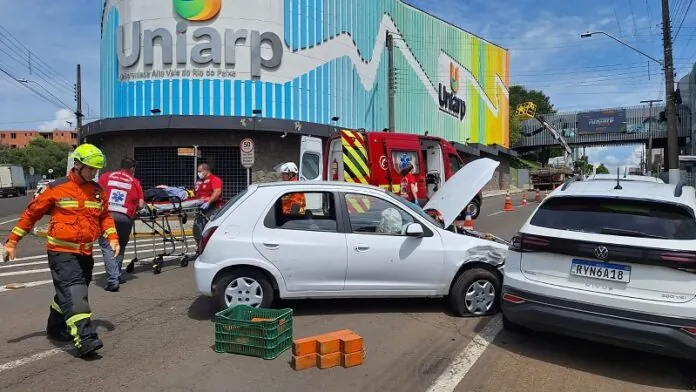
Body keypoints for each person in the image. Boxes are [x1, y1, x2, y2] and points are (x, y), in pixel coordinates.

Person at [2, 143, 119, 357]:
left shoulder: (97, 191)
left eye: (96, 169)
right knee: (75, 292)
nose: (94, 173)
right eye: (90, 168)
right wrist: (12, 242)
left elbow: (105, 217)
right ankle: (85, 338)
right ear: (77, 165)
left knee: (68, 291)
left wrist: (112, 237)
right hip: (61, 252)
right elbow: (30, 215)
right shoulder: (56, 188)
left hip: (85, 253)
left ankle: (55, 328)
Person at [97, 157, 145, 292]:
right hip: (125, 218)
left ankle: (113, 280)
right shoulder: (135, 182)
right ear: (132, 169)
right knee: (120, 246)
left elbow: (96, 194)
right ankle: (116, 275)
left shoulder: (106, 177)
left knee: (107, 247)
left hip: (108, 216)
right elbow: (141, 205)